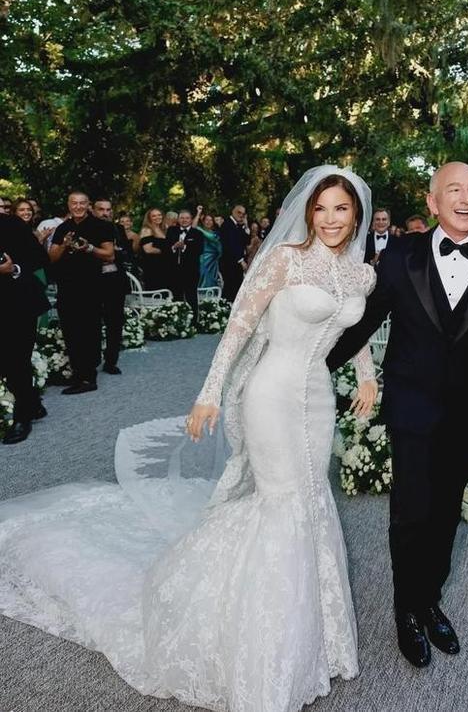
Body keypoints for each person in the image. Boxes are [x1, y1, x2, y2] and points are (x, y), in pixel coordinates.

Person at [0, 166, 377, 712]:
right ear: (308, 213)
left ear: (357, 215)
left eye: (341, 208)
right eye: (321, 208)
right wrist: (209, 392)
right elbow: (239, 326)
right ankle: (262, 647)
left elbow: (353, 329)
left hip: (318, 401)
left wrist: (366, 374)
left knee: (313, 498)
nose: (330, 219)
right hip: (271, 393)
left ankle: (315, 638)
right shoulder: (285, 259)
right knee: (282, 502)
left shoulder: (361, 275)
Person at [327, 161, 468, 669]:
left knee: (445, 513)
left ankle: (429, 599)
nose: (466, 198)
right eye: (454, 189)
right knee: (411, 513)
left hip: (466, 410)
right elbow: (364, 321)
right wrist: (312, 360)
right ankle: (405, 609)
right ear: (433, 202)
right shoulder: (400, 255)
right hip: (411, 406)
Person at [49, 192, 115, 394]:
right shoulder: (63, 227)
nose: (78, 207)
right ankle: (78, 373)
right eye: (74, 203)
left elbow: (109, 255)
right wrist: (64, 245)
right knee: (70, 330)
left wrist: (90, 248)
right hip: (66, 286)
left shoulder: (101, 226)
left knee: (88, 330)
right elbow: (52, 257)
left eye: (82, 203)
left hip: (91, 286)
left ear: (88, 205)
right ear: (68, 205)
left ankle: (88, 377)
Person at [0, 213, 49, 444]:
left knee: (16, 360)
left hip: (18, 301)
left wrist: (13, 269)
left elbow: (39, 257)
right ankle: (33, 403)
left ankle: (23, 418)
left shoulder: (11, 224)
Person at [93, 198, 130, 375]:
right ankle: (92, 359)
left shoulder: (118, 229)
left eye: (108, 210)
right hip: (93, 280)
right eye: (101, 209)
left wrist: (115, 252)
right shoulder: (88, 228)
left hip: (115, 280)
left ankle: (111, 361)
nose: (105, 213)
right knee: (93, 321)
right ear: (93, 211)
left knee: (115, 322)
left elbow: (127, 253)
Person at [166, 209, 204, 321]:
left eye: (187, 218)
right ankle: (178, 322)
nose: (184, 220)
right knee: (176, 296)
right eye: (182, 218)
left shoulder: (197, 233)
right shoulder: (171, 230)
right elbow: (166, 247)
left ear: (191, 220)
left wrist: (185, 247)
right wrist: (174, 247)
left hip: (191, 270)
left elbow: (199, 250)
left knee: (191, 296)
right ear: (178, 219)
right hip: (174, 270)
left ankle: (194, 322)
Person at [218, 203, 249, 302]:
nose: (241, 215)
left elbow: (246, 241)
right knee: (230, 289)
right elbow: (230, 245)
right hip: (229, 263)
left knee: (236, 289)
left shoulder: (238, 226)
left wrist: (246, 226)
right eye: (239, 212)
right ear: (233, 212)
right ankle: (226, 307)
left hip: (236, 264)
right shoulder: (227, 224)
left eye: (243, 214)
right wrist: (241, 260)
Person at [139, 208, 170, 291]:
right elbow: (148, 249)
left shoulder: (163, 229)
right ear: (149, 218)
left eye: (159, 215)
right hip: (153, 267)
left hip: (164, 266)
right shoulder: (147, 230)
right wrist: (165, 251)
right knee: (156, 292)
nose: (157, 217)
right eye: (154, 216)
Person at [197, 212, 222, 288]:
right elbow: (194, 227)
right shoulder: (199, 233)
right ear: (203, 221)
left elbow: (212, 238)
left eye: (211, 220)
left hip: (212, 260)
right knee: (202, 276)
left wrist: (200, 229)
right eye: (206, 220)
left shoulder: (216, 233)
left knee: (212, 279)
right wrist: (198, 214)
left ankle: (211, 294)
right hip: (203, 259)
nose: (208, 222)